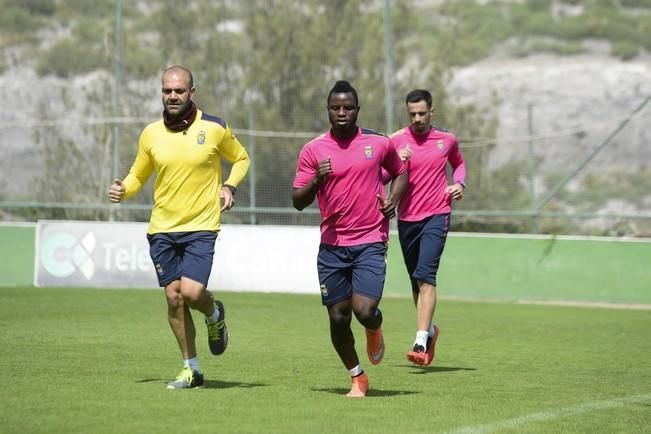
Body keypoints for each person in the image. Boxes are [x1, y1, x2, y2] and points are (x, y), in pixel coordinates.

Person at [107, 65, 250, 389]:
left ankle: (214, 315)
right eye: (167, 91)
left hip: (201, 225)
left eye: (179, 91)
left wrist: (230, 186)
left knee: (192, 292)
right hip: (162, 228)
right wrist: (124, 189)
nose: (173, 96)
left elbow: (241, 159)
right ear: (162, 92)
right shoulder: (151, 134)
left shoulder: (214, 127)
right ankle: (191, 368)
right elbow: (138, 175)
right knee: (174, 298)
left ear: (192, 93)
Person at [292, 80, 408, 397]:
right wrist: (317, 177)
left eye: (348, 108)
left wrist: (393, 201)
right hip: (332, 246)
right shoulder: (313, 150)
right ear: (328, 110)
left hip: (371, 240)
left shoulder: (379, 143)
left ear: (358, 110)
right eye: (336, 108)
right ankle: (357, 376)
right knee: (338, 317)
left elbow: (400, 172)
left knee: (364, 310)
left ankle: (374, 327)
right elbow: (298, 201)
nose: (342, 113)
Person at [389, 89, 466, 366]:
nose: (418, 118)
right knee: (415, 281)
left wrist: (459, 184)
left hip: (437, 214)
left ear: (432, 111)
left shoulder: (446, 140)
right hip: (407, 218)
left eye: (422, 113)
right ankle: (431, 330)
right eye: (413, 114)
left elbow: (459, 165)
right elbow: (384, 173)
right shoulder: (397, 141)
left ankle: (420, 340)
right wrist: (399, 161)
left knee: (426, 276)